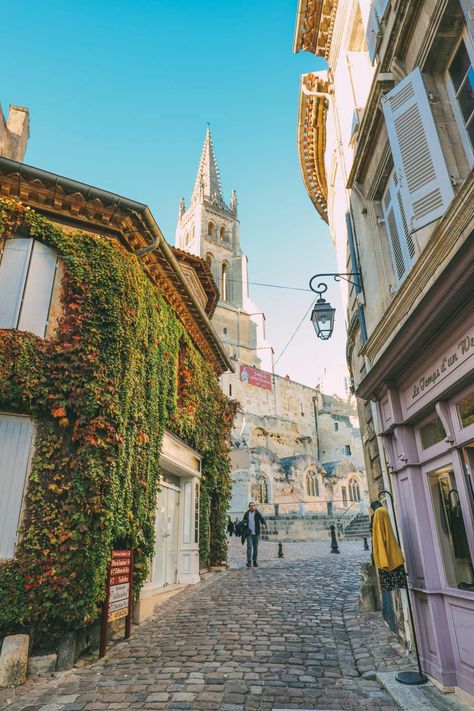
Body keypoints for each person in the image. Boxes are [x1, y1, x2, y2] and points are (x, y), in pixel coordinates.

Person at [240, 501, 266, 567]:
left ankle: (254, 561)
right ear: (249, 507)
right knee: (249, 547)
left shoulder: (257, 513)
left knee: (255, 547)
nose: (252, 506)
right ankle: (249, 561)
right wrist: (244, 523)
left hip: (256, 533)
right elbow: (243, 521)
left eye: (253, 505)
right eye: (250, 505)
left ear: (255, 506)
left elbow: (262, 519)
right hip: (249, 533)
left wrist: (263, 524)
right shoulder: (246, 514)